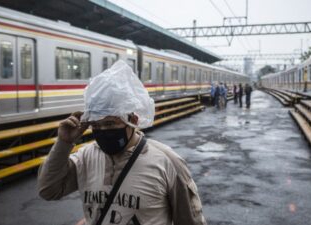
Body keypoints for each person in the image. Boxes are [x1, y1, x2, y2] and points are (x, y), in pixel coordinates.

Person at [37, 61, 207, 225]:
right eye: (96, 125)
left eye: (110, 124)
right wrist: (64, 142)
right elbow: (49, 190)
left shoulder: (168, 162)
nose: (103, 131)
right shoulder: (86, 157)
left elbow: (190, 221)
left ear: (132, 120)